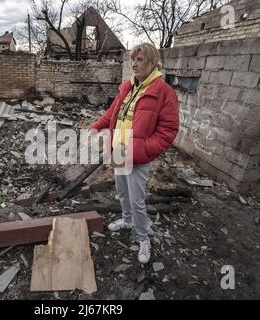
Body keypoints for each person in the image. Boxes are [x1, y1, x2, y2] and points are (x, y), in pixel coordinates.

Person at [90, 43, 179, 264]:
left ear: (152, 63)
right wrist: (95, 127)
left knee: (137, 200)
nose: (135, 64)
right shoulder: (128, 87)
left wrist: (144, 150)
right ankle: (127, 221)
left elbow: (168, 131)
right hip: (119, 151)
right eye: (133, 59)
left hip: (137, 156)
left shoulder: (163, 92)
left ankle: (143, 238)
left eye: (140, 60)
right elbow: (112, 113)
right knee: (121, 192)